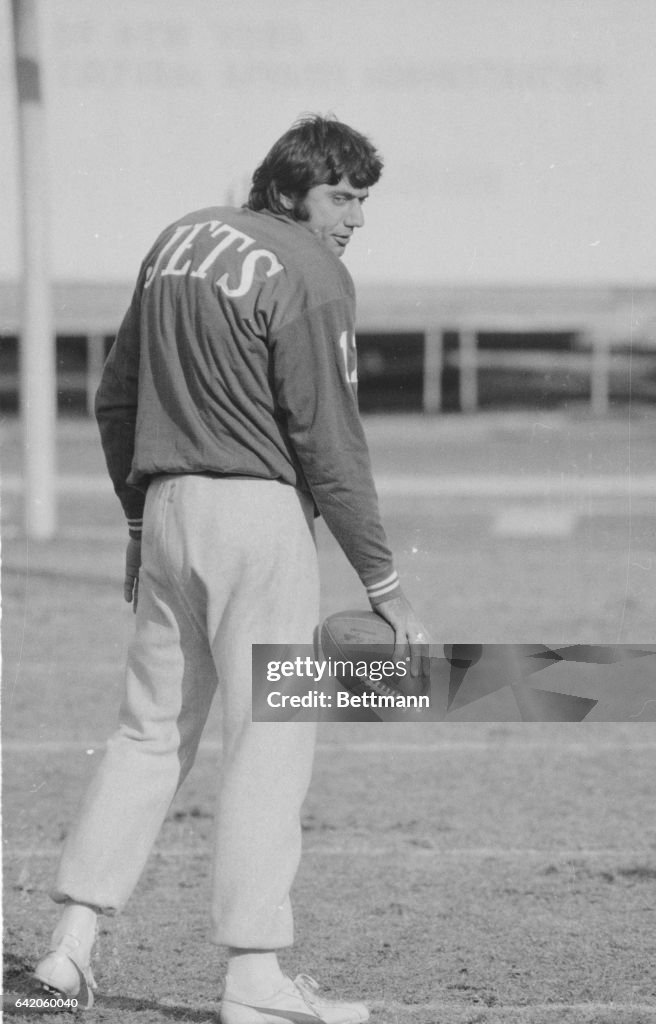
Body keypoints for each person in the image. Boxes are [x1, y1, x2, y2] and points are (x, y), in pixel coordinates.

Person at [33, 114, 430, 1024]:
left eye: (365, 199)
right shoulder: (313, 271)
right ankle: (254, 978)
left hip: (168, 508)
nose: (356, 218)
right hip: (256, 518)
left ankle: (67, 948)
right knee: (269, 738)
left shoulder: (177, 237)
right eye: (342, 196)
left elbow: (114, 398)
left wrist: (139, 522)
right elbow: (330, 442)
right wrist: (385, 585)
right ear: (290, 189)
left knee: (146, 734)